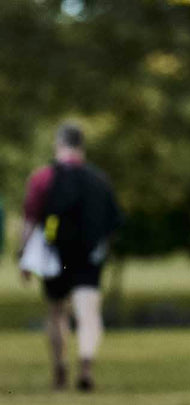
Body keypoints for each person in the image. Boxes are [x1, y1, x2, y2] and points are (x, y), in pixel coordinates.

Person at [19, 122, 122, 391]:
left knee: (56, 312)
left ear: (58, 144)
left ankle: (60, 367)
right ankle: (86, 364)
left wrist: (24, 256)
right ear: (81, 146)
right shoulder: (100, 180)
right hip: (88, 254)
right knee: (88, 312)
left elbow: (31, 219)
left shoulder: (43, 178)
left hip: (57, 253)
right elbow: (112, 223)